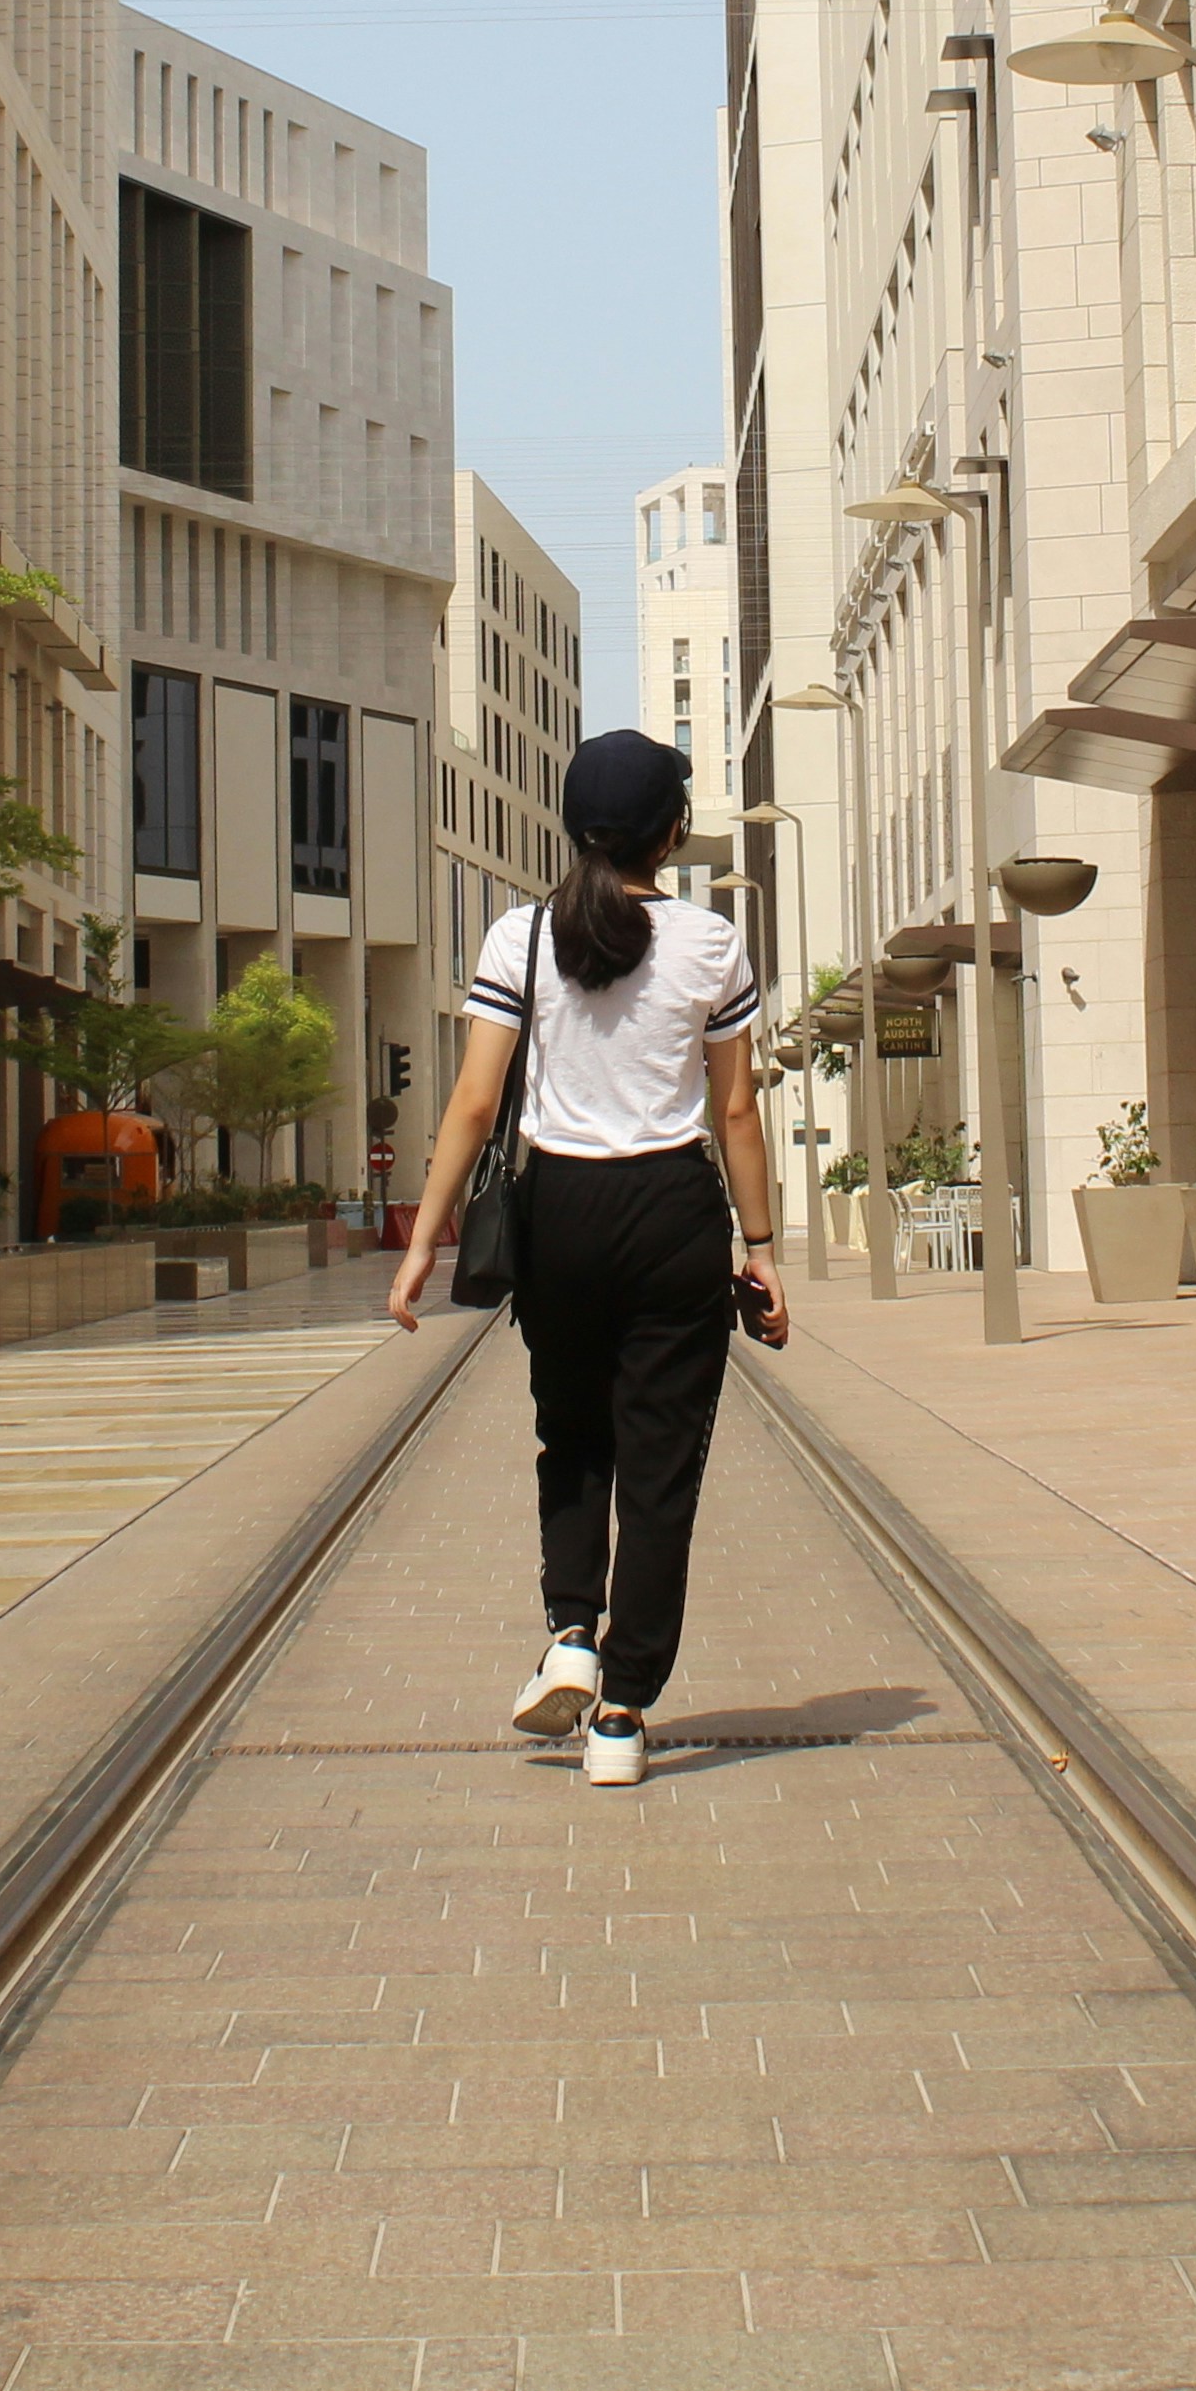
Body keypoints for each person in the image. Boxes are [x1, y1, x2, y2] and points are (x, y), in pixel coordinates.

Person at [389, 727, 786, 1785]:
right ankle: (622, 1713)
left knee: (571, 1435)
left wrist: (421, 1245)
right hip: (672, 1214)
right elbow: (735, 1107)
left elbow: (475, 1104)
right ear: (673, 833)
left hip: (557, 1209)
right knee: (661, 1467)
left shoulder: (518, 939)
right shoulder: (712, 944)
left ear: (575, 827)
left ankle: (571, 1630)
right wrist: (762, 1246)